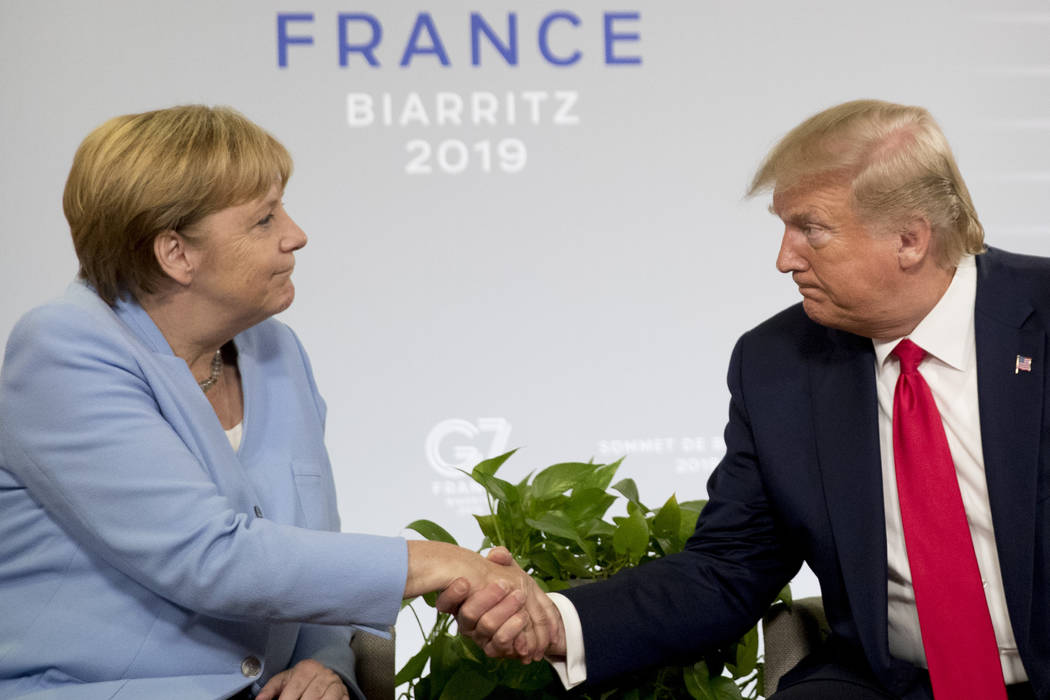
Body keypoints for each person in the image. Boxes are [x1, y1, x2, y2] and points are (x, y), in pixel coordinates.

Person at [439, 100, 1048, 699]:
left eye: (812, 230)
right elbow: (727, 569)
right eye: (783, 229)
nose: (784, 259)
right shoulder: (778, 363)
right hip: (889, 684)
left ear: (910, 239)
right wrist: (555, 620)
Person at [0, 105, 557, 700]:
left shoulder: (274, 349)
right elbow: (210, 557)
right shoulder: (62, 351)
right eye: (264, 219)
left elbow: (307, 553)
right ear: (175, 253)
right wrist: (439, 563)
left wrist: (327, 665)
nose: (296, 234)